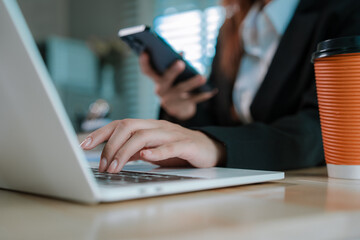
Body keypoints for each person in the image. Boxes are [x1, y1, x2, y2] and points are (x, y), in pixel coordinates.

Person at [81, 0, 360, 173]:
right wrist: (182, 110)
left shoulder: (345, 10)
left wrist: (215, 145)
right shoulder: (231, 29)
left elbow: (329, 129)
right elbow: (217, 121)